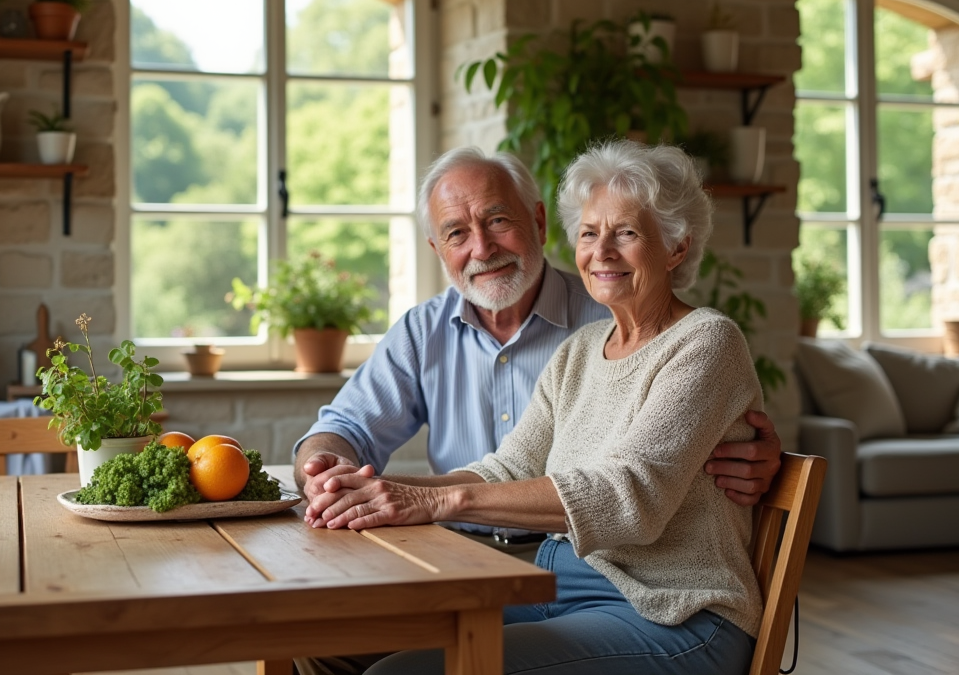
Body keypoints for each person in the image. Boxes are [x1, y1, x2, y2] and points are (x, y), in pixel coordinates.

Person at [305, 140, 763, 675]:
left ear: (676, 246)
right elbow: (508, 468)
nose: (602, 252)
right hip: (562, 587)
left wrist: (436, 501)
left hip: (670, 613)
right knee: (324, 633)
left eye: (628, 233)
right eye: (590, 234)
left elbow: (628, 496)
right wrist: (379, 493)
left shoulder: (707, 341)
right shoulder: (581, 350)